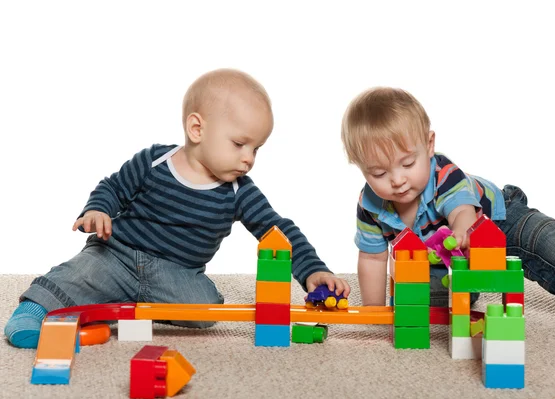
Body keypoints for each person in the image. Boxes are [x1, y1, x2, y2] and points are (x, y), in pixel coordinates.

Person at [4, 68, 351, 348]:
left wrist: (312, 271)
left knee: (207, 312)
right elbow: (112, 187)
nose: (249, 158)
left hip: (176, 272)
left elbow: (278, 229)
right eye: (240, 144)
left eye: (257, 148)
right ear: (197, 128)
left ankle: (129, 308)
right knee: (80, 274)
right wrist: (98, 211)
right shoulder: (154, 161)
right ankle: (31, 312)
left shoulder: (238, 191)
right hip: (117, 255)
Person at [340, 86, 555, 323]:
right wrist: (373, 312)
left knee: (549, 239)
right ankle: (467, 288)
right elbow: (372, 258)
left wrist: (464, 233)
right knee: (425, 302)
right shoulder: (370, 206)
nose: (397, 180)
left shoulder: (444, 174)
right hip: (440, 254)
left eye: (408, 164)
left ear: (429, 145)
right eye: (378, 174)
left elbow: (461, 211)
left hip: (496, 220)